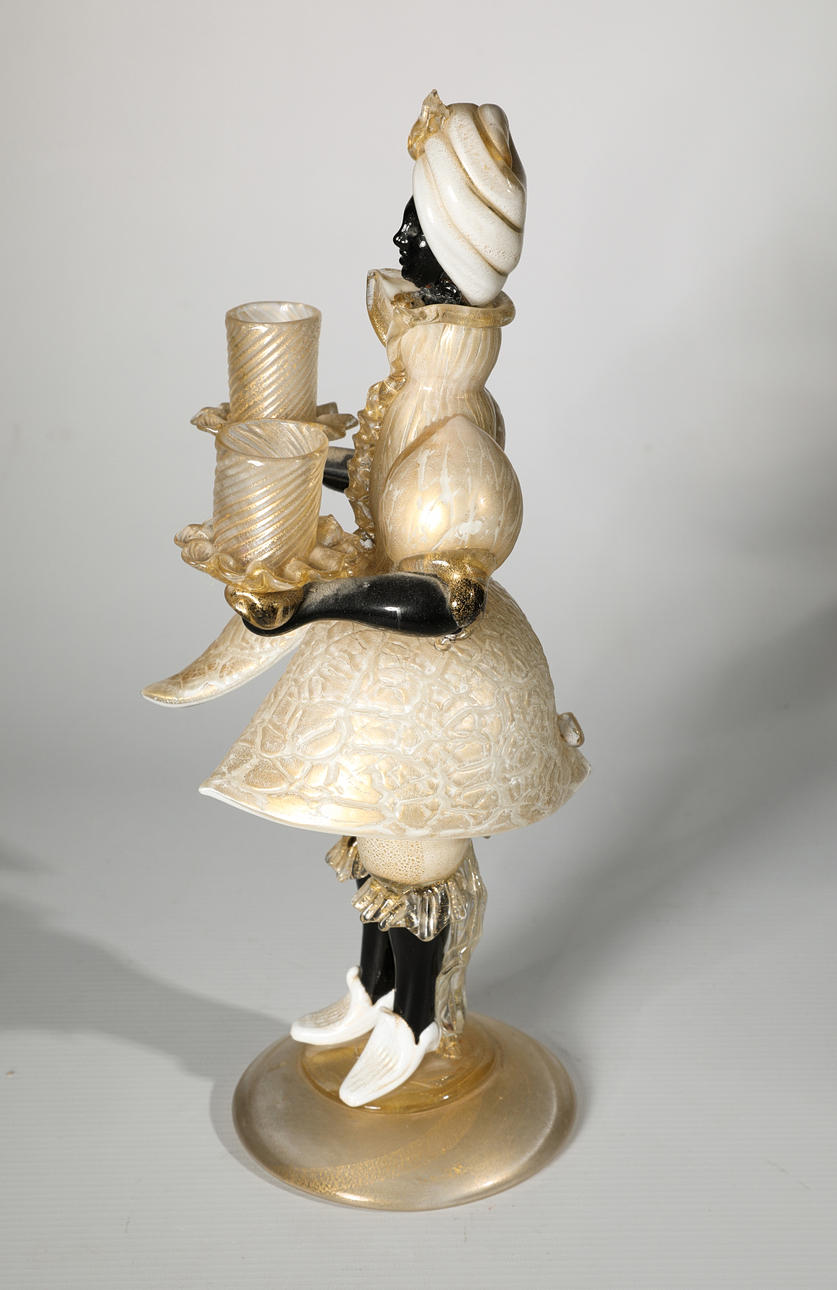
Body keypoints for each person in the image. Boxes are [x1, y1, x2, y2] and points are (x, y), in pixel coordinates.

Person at [202, 92, 589, 1106]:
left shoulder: (458, 433)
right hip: (389, 676)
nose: (400, 239)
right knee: (378, 844)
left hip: (445, 686)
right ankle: (373, 992)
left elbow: (446, 599)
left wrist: (313, 601)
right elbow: (378, 486)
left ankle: (417, 1017)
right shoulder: (422, 397)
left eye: (417, 225)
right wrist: (280, 465)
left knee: (417, 857)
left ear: (457, 248)